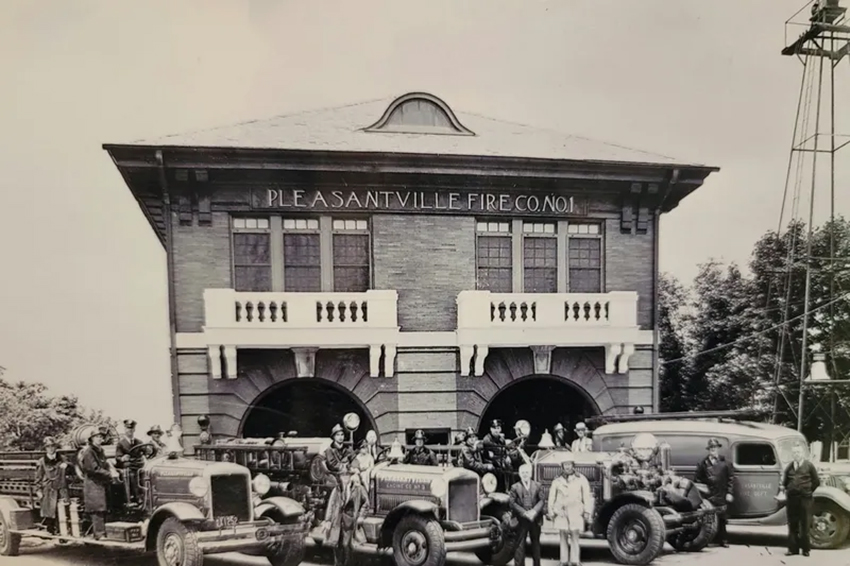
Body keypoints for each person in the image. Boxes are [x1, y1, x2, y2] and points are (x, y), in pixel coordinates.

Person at [547, 454, 594, 566]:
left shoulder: (581, 479)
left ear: (573, 465)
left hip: (576, 511)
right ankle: (563, 561)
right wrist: (552, 511)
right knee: (562, 535)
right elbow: (551, 497)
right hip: (561, 512)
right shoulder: (557, 481)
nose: (567, 467)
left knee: (575, 535)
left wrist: (587, 511)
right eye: (565, 464)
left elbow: (586, 496)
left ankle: (575, 560)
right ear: (562, 466)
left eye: (569, 464)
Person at [323, 461, 370, 566]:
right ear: (340, 477)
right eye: (343, 475)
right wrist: (327, 520)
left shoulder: (358, 489)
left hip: (350, 521)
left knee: (347, 546)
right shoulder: (337, 489)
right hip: (337, 521)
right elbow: (331, 505)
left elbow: (366, 503)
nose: (345, 478)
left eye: (347, 475)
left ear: (350, 476)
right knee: (336, 545)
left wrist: (361, 516)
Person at [78, 426, 119, 539]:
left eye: (101, 437)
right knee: (97, 509)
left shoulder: (100, 451)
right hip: (93, 484)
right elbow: (93, 469)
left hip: (100, 483)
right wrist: (109, 474)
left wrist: (111, 467)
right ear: (91, 439)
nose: (100, 439)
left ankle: (103, 532)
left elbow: (104, 463)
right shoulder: (89, 452)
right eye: (97, 437)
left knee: (103, 508)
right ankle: (99, 534)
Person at [781, 443, 820, 557]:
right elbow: (785, 482)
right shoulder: (789, 467)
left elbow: (816, 481)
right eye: (794, 453)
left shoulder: (809, 466)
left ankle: (806, 550)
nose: (796, 455)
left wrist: (807, 491)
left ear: (802, 453)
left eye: (798, 452)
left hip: (805, 499)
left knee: (805, 524)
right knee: (792, 524)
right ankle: (793, 549)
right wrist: (787, 489)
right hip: (792, 499)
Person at [694, 438, 734, 547]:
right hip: (708, 494)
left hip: (721, 493)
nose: (713, 449)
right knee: (709, 518)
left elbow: (731, 479)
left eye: (715, 447)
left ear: (718, 448)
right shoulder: (703, 463)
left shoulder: (725, 463)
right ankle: (709, 539)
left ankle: (723, 540)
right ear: (708, 449)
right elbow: (697, 479)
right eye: (711, 447)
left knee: (722, 519)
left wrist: (729, 493)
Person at [509, 464, 544, 566]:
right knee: (519, 546)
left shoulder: (537, 485)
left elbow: (542, 501)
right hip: (521, 520)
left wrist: (534, 512)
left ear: (531, 474)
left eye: (527, 472)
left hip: (535, 519)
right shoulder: (515, 487)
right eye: (523, 473)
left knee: (536, 545)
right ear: (520, 474)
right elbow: (512, 503)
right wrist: (524, 513)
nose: (525, 474)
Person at [35, 437, 69, 535]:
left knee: (63, 511)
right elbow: (38, 478)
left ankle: (63, 532)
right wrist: (39, 491)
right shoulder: (42, 461)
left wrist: (67, 465)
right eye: (48, 446)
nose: (50, 448)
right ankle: (51, 530)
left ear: (55, 447)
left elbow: (71, 468)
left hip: (61, 488)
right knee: (50, 512)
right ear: (45, 448)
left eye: (52, 446)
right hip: (49, 489)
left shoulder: (62, 458)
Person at [114, 419, 145, 504]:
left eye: (131, 429)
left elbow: (145, 451)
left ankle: (146, 494)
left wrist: (149, 451)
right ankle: (136, 497)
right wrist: (123, 458)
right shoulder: (121, 443)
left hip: (138, 464)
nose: (130, 431)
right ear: (125, 429)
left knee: (147, 472)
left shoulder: (139, 442)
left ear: (134, 430)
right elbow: (118, 457)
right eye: (128, 429)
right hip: (129, 466)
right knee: (132, 474)